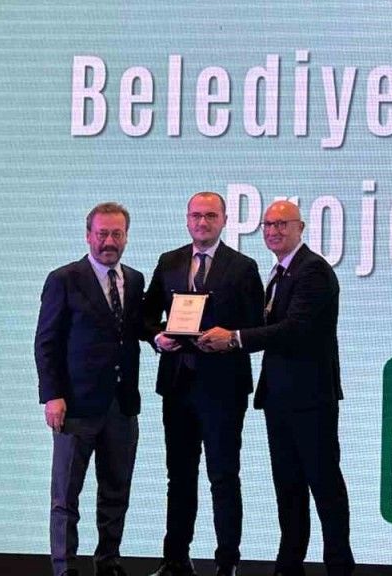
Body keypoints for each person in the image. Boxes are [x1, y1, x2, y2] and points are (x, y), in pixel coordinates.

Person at [200, 199, 355, 576]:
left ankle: (338, 566)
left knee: (323, 484)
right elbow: (265, 324)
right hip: (280, 398)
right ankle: (288, 564)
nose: (273, 231)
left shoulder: (312, 271)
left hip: (310, 399)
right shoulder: (278, 272)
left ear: (300, 228)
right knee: (288, 486)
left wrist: (234, 337)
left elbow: (294, 329)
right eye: (268, 225)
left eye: (282, 224)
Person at [144, 192, 264, 576]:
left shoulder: (243, 267)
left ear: (224, 220)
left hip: (223, 388)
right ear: (186, 219)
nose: (202, 222)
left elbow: (258, 328)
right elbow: (145, 316)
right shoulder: (169, 262)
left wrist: (230, 337)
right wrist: (157, 336)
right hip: (178, 384)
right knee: (179, 476)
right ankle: (175, 559)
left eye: (210, 215)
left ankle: (227, 563)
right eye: (196, 215)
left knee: (223, 476)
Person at [35, 202, 146, 576]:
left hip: (122, 406)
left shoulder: (135, 280)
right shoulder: (64, 279)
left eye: (117, 234)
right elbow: (46, 342)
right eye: (102, 234)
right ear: (88, 236)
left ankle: (108, 563)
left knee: (116, 492)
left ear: (126, 237)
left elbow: (136, 330)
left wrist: (164, 336)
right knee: (66, 496)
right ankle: (64, 567)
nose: (109, 241)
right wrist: (52, 395)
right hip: (75, 406)